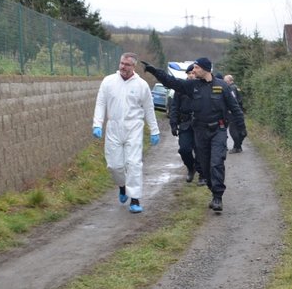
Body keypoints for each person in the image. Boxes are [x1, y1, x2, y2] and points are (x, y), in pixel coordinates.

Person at [142, 57, 246, 213]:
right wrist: (156, 72)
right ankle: (213, 189)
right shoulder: (192, 86)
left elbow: (235, 108)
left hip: (218, 130)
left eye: (196, 67)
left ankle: (218, 197)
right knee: (204, 166)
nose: (193, 70)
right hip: (200, 131)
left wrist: (242, 128)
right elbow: (172, 82)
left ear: (205, 69)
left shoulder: (222, 86)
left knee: (216, 162)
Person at [92, 52, 161, 214]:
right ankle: (122, 187)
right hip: (114, 127)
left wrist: (154, 130)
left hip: (134, 128)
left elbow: (149, 109)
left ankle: (135, 199)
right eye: (121, 63)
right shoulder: (108, 82)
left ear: (134, 66)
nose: (123, 67)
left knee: (133, 164)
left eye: (127, 64)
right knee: (114, 165)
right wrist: (97, 124)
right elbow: (101, 103)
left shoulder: (141, 85)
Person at [169, 63, 200, 183]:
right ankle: (190, 168)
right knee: (184, 149)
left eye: (194, 73)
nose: (192, 75)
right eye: (190, 73)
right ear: (186, 74)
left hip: (199, 124)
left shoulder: (202, 86)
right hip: (185, 123)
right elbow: (174, 107)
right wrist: (173, 124)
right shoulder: (180, 88)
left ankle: (202, 174)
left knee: (200, 150)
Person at [223, 74, 246, 153]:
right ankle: (237, 147)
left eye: (225, 81)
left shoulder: (231, 88)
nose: (224, 82)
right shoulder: (236, 87)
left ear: (229, 81)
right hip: (239, 111)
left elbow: (233, 100)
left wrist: (230, 109)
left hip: (233, 112)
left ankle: (237, 147)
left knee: (233, 130)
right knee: (239, 129)